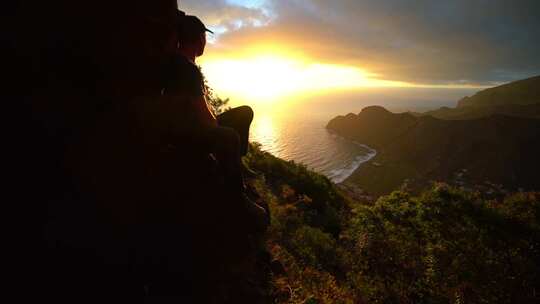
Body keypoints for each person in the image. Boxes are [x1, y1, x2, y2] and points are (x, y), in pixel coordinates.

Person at [162, 13, 268, 232]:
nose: (205, 43)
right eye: (204, 37)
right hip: (188, 136)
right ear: (200, 39)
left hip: (183, 130)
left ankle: (237, 165)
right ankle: (238, 199)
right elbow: (205, 119)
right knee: (230, 136)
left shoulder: (178, 63)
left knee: (243, 113)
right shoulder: (187, 69)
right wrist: (221, 128)